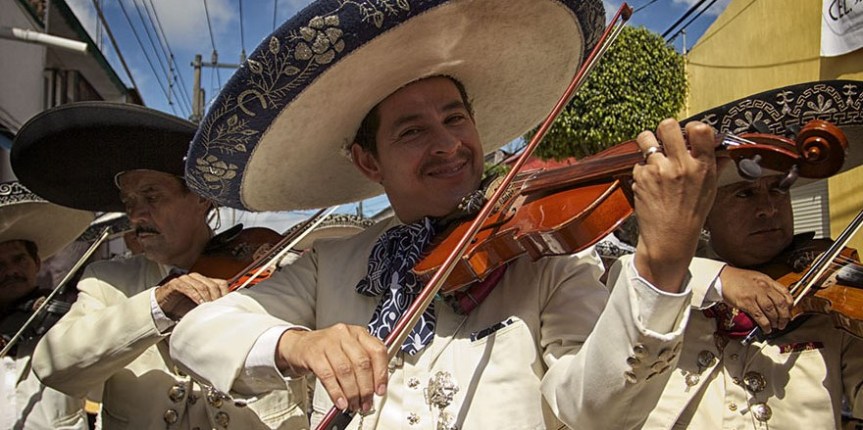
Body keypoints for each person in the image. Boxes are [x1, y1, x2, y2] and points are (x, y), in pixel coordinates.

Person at [170, 1, 720, 428]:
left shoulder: (547, 263)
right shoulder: (329, 265)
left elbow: (596, 413)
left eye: (456, 119)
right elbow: (194, 333)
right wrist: (299, 344)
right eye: (412, 131)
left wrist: (663, 264)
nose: (449, 145)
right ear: (368, 161)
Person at [10, 102, 308, 429]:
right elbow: (55, 365)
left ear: (201, 197)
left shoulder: (270, 268)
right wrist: (156, 306)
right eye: (129, 203)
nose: (136, 216)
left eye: (152, 197)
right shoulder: (107, 280)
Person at [640, 80, 863, 428]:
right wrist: (719, 280)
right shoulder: (669, 288)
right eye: (745, 195)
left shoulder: (826, 296)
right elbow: (630, 272)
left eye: (779, 190)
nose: (769, 210)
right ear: (704, 212)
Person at [0, 181, 93, 429]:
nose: (11, 271)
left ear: (37, 263)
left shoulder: (70, 313)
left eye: (19, 259)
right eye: (0, 265)